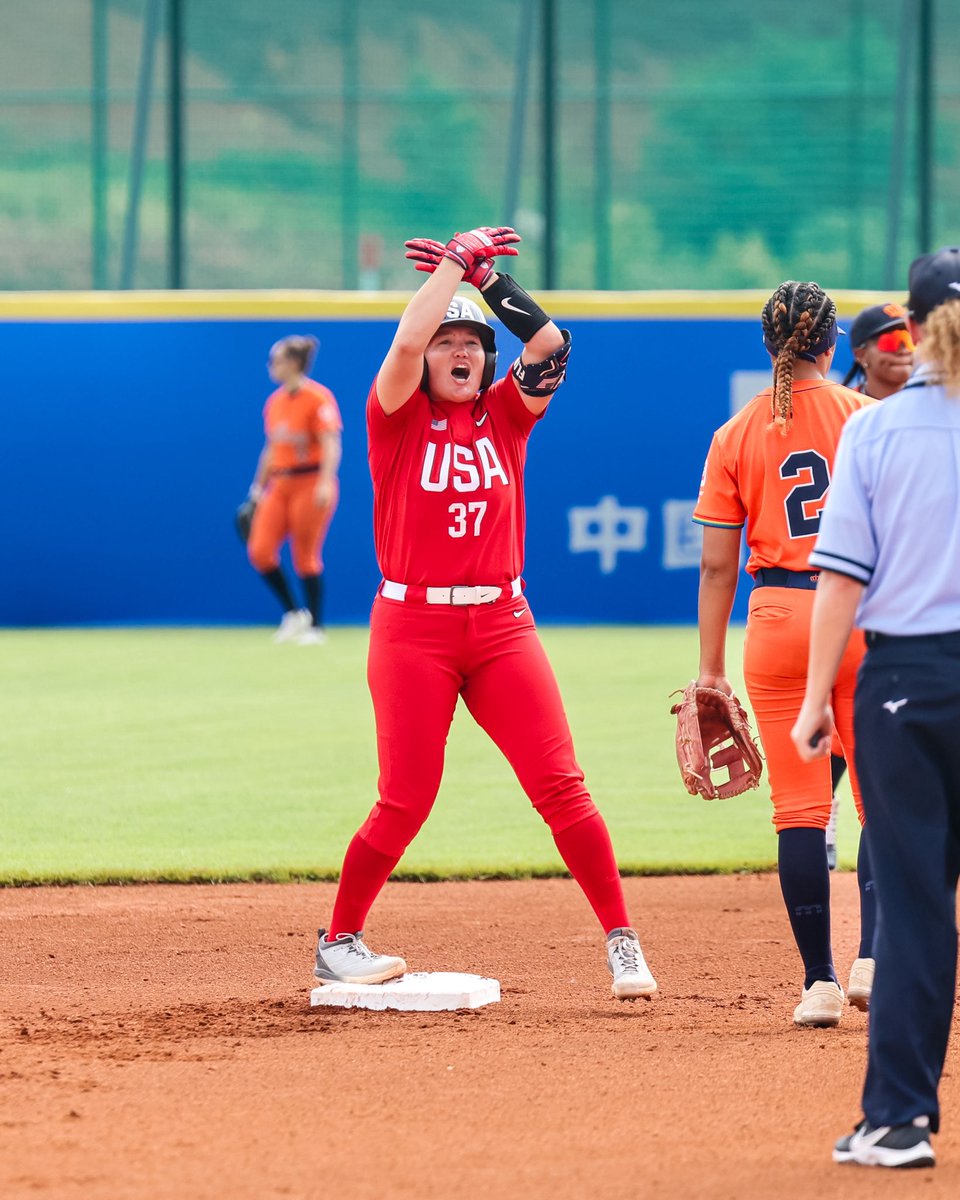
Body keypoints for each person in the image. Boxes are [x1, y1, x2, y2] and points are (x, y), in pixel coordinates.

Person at [311, 225, 657, 1001]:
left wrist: (489, 282)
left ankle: (622, 942)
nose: (458, 349)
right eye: (447, 340)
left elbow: (552, 343)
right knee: (406, 797)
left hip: (502, 624)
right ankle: (338, 941)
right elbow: (402, 347)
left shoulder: (507, 415)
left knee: (561, 784)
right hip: (413, 629)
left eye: (471, 339)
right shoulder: (393, 419)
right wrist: (455, 271)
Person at [792, 246, 960, 1169]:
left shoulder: (876, 430)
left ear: (913, 327)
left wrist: (818, 698)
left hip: (906, 684)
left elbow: (842, 577)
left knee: (916, 907)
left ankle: (899, 1120)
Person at [692, 280, 877, 1027]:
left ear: (768, 347)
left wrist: (709, 670)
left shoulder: (736, 433)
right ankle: (873, 958)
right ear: (833, 345)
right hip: (864, 612)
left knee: (800, 810)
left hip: (775, 619)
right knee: (881, 802)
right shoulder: (866, 417)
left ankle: (820, 984)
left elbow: (714, 566)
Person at [826, 302, 916, 868]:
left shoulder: (927, 406)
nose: (903, 346)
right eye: (888, 340)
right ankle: (827, 814)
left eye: (909, 335)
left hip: (908, 583)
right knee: (843, 713)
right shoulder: (845, 417)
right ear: (860, 351)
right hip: (853, 583)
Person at [245, 335, 342, 645]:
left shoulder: (318, 398)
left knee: (306, 555)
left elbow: (331, 443)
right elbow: (272, 449)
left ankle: (316, 626)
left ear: (294, 363)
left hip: (311, 481)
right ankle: (293, 613)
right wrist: (257, 487)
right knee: (260, 550)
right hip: (280, 483)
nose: (271, 365)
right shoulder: (275, 402)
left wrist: (326, 481)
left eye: (277, 359)